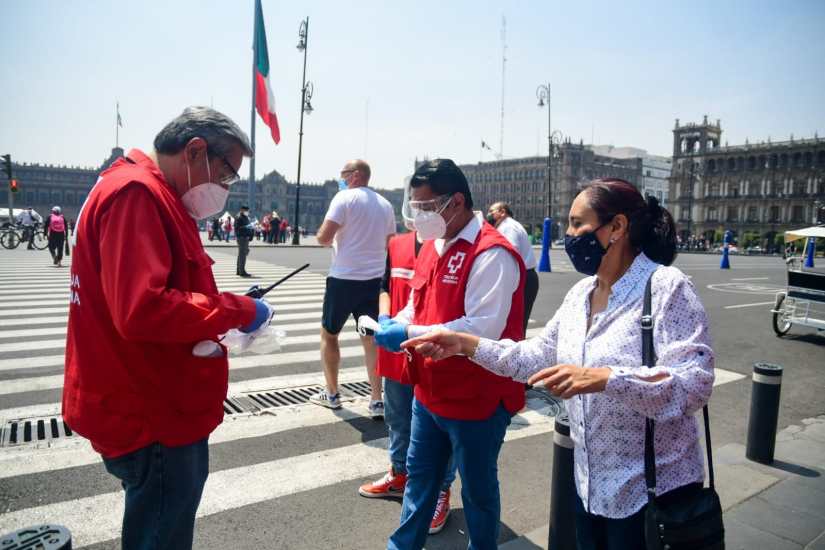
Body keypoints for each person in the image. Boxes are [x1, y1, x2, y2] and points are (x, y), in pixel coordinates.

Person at [404, 178, 715, 550]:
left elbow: (694, 383)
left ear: (617, 227)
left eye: (578, 224)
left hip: (651, 494)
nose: (568, 235)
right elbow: (533, 356)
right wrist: (464, 344)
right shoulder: (580, 294)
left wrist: (605, 378)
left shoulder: (666, 287)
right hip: (590, 490)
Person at [62, 106, 276, 550]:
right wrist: (236, 310)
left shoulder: (141, 190)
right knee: (161, 536)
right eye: (227, 172)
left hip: (145, 396)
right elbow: (142, 308)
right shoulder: (137, 194)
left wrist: (215, 311)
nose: (226, 187)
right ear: (195, 151)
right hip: (152, 410)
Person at [374, 159, 526, 550]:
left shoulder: (492, 252)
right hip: (430, 390)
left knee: (477, 489)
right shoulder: (434, 244)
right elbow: (418, 304)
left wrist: (407, 332)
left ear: (456, 202)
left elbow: (481, 328)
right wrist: (394, 321)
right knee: (419, 477)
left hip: (476, 396)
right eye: (416, 207)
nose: (420, 216)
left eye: (427, 207)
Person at [357, 227, 457, 535]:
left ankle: (440, 490)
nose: (422, 209)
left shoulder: (452, 244)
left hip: (433, 350)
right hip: (396, 346)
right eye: (417, 204)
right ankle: (399, 474)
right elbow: (384, 287)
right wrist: (385, 318)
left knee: (440, 425)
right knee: (398, 417)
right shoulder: (397, 244)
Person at [310, 159, 395, 418]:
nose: (342, 178)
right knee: (370, 340)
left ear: (356, 175)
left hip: (343, 279)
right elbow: (390, 244)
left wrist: (326, 234)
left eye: (344, 174)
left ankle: (332, 394)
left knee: (329, 335)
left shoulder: (344, 198)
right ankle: (377, 400)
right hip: (373, 281)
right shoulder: (385, 204)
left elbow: (324, 238)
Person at [487, 201, 540, 332]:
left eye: (492, 211)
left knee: (515, 323)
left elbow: (510, 253)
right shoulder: (509, 225)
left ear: (502, 212)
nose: (489, 214)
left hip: (522, 278)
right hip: (524, 276)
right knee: (518, 322)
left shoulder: (508, 227)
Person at [236, 205, 254, 277]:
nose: (247, 212)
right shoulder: (239, 217)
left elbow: (248, 227)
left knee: (242, 254)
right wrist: (246, 227)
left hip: (245, 237)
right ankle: (242, 271)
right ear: (242, 210)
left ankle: (239, 270)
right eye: (246, 211)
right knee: (242, 255)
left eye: (248, 211)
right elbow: (237, 228)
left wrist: (251, 232)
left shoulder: (245, 217)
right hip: (241, 237)